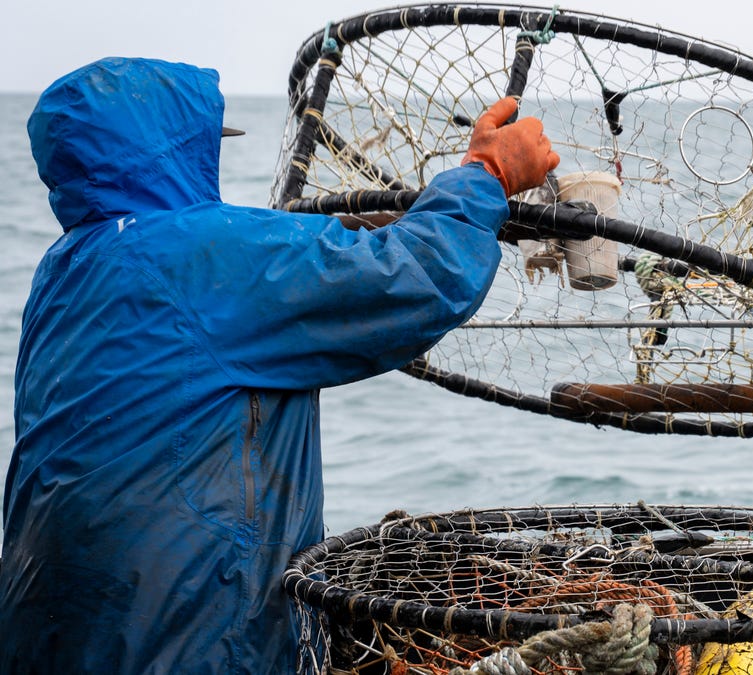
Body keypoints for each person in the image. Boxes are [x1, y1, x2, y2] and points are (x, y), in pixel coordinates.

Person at [0, 57, 558, 673]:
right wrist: (487, 173)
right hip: (181, 640)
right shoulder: (197, 252)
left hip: (53, 627)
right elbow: (422, 275)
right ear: (177, 152)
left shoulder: (65, 269)